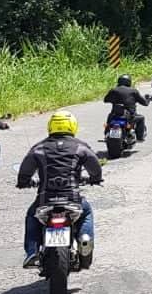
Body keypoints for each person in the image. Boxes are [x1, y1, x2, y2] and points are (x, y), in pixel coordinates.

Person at [18, 112, 103, 268]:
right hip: (72, 199)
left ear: (51, 126)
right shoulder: (80, 146)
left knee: (32, 215)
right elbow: (95, 166)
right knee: (86, 212)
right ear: (72, 126)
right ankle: (85, 243)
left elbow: (25, 170)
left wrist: (24, 182)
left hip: (45, 199)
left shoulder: (39, 147)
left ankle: (32, 252)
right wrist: (95, 178)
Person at [103, 74, 149, 142]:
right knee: (141, 118)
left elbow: (105, 100)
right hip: (129, 116)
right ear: (129, 82)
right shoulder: (133, 91)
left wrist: (114, 100)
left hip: (115, 114)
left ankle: (107, 133)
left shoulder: (113, 90)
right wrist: (147, 99)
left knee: (110, 117)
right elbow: (144, 103)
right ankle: (140, 138)